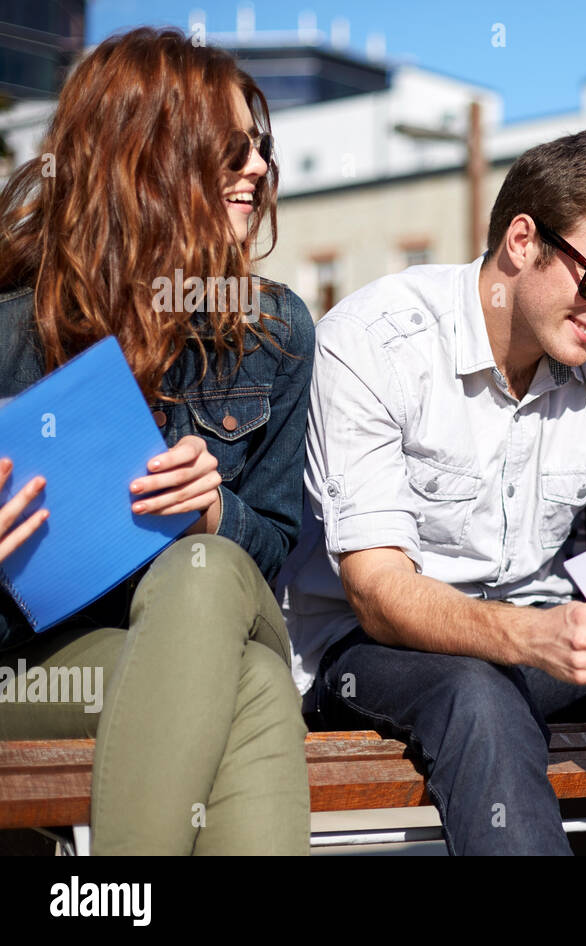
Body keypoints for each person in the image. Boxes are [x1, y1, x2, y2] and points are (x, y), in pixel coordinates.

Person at [278, 129, 586, 855]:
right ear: (523, 241)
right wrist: (528, 635)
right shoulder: (374, 341)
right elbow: (376, 590)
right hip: (369, 651)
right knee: (478, 693)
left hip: (540, 640)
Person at [0, 28, 313, 854]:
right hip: (41, 666)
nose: (256, 168)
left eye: (262, 149)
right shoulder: (10, 335)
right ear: (144, 158)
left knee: (204, 571)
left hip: (221, 614)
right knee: (247, 691)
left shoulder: (274, 332)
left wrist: (215, 515)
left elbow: (277, 538)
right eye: (230, 149)